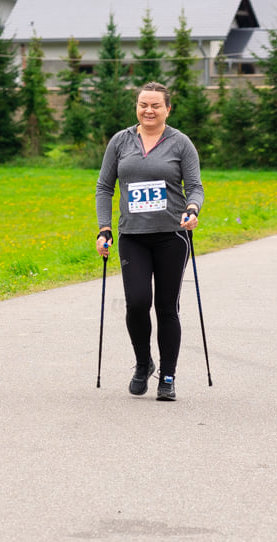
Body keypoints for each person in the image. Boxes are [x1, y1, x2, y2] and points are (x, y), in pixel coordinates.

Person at [95, 82, 204, 401]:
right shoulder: (121, 141)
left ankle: (167, 377)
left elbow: (195, 186)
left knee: (167, 307)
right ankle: (143, 364)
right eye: (143, 104)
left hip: (172, 235)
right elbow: (104, 187)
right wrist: (104, 228)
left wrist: (192, 209)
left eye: (156, 105)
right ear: (137, 107)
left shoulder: (180, 143)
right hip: (133, 236)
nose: (149, 110)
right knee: (138, 302)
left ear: (168, 109)